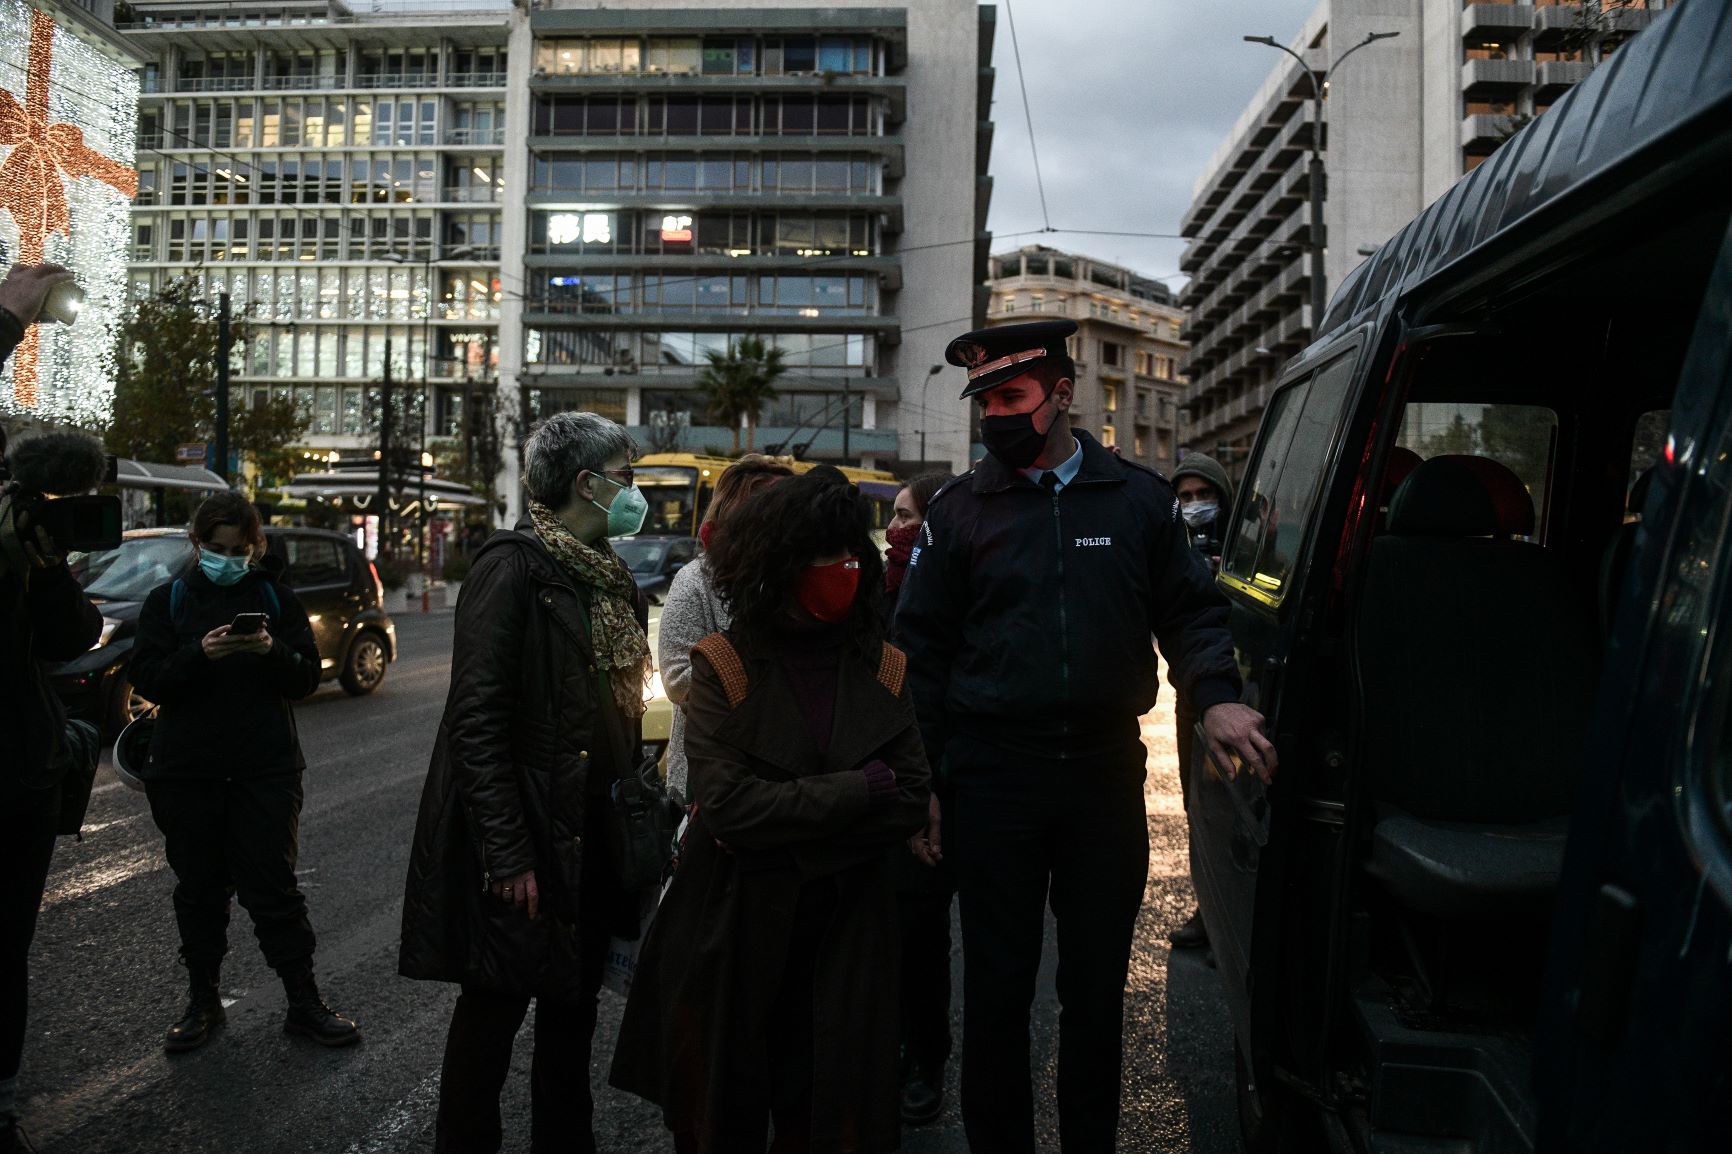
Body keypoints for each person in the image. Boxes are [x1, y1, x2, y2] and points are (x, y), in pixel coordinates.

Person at [896, 319, 1278, 1154]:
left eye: (1011, 397)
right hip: (992, 782)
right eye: (986, 401)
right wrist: (918, 779)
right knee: (995, 992)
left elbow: (1190, 613)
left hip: (1104, 778)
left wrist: (1214, 696)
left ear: (1063, 394)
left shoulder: (1137, 500)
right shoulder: (960, 511)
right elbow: (913, 658)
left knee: (1096, 991)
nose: (994, 415)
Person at [611, 467, 932, 1154]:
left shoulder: (885, 667)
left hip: (848, 931)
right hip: (737, 926)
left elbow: (908, 798)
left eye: (848, 552)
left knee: (828, 1110)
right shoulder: (724, 664)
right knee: (724, 1109)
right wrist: (857, 792)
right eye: (820, 554)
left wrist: (789, 825)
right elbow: (727, 808)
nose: (839, 569)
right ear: (778, 563)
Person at [399, 411, 650, 1154]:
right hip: (529, 840)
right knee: (492, 1016)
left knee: (571, 1024)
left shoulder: (613, 580)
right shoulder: (511, 569)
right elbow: (475, 723)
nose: (636, 494)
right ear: (588, 484)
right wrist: (506, 854)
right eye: (628, 479)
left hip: (592, 838)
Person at [127, 492, 358, 1054]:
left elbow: (305, 678)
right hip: (188, 774)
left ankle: (304, 1004)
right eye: (215, 547)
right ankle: (201, 1002)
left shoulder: (276, 599)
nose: (227, 558)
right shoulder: (169, 601)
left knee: (274, 891)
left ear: (254, 546)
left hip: (265, 770)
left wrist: (270, 650)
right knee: (200, 893)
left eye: (238, 549)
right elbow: (149, 678)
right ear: (197, 544)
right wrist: (199, 655)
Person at [0, 261, 104, 1154]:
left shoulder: (25, 545)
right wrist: (5, 320)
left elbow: (68, 636)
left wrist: (43, 565)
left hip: (18, 770)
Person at [880, 470, 956, 1125]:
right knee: (914, 934)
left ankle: (931, 1059)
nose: (893, 529)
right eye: (893, 516)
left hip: (965, 779)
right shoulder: (880, 597)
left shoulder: (959, 588)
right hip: (908, 784)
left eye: (907, 517)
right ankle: (914, 1056)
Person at [659, 453, 793, 796]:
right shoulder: (695, 580)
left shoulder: (799, 576)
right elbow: (677, 679)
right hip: (710, 777)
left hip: (792, 776)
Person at [1164, 452, 1234, 950]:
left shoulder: (1251, 545)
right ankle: (1207, 910)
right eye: (1185, 498)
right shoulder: (1171, 547)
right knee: (1198, 806)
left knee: (1237, 808)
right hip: (1193, 694)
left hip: (1239, 694)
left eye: (1203, 495)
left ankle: (1232, 918)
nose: (1195, 506)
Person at [882, 472, 950, 627]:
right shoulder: (885, 579)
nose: (891, 527)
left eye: (904, 515)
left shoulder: (952, 588)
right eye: (895, 515)